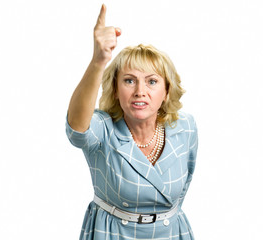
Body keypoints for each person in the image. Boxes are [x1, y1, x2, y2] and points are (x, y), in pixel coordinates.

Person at [66, 4, 198, 240]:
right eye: (129, 81)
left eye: (152, 81)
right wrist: (98, 61)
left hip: (172, 233)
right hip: (113, 234)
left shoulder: (185, 126)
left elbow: (182, 190)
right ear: (116, 90)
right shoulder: (104, 128)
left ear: (167, 91)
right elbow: (77, 129)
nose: (140, 91)